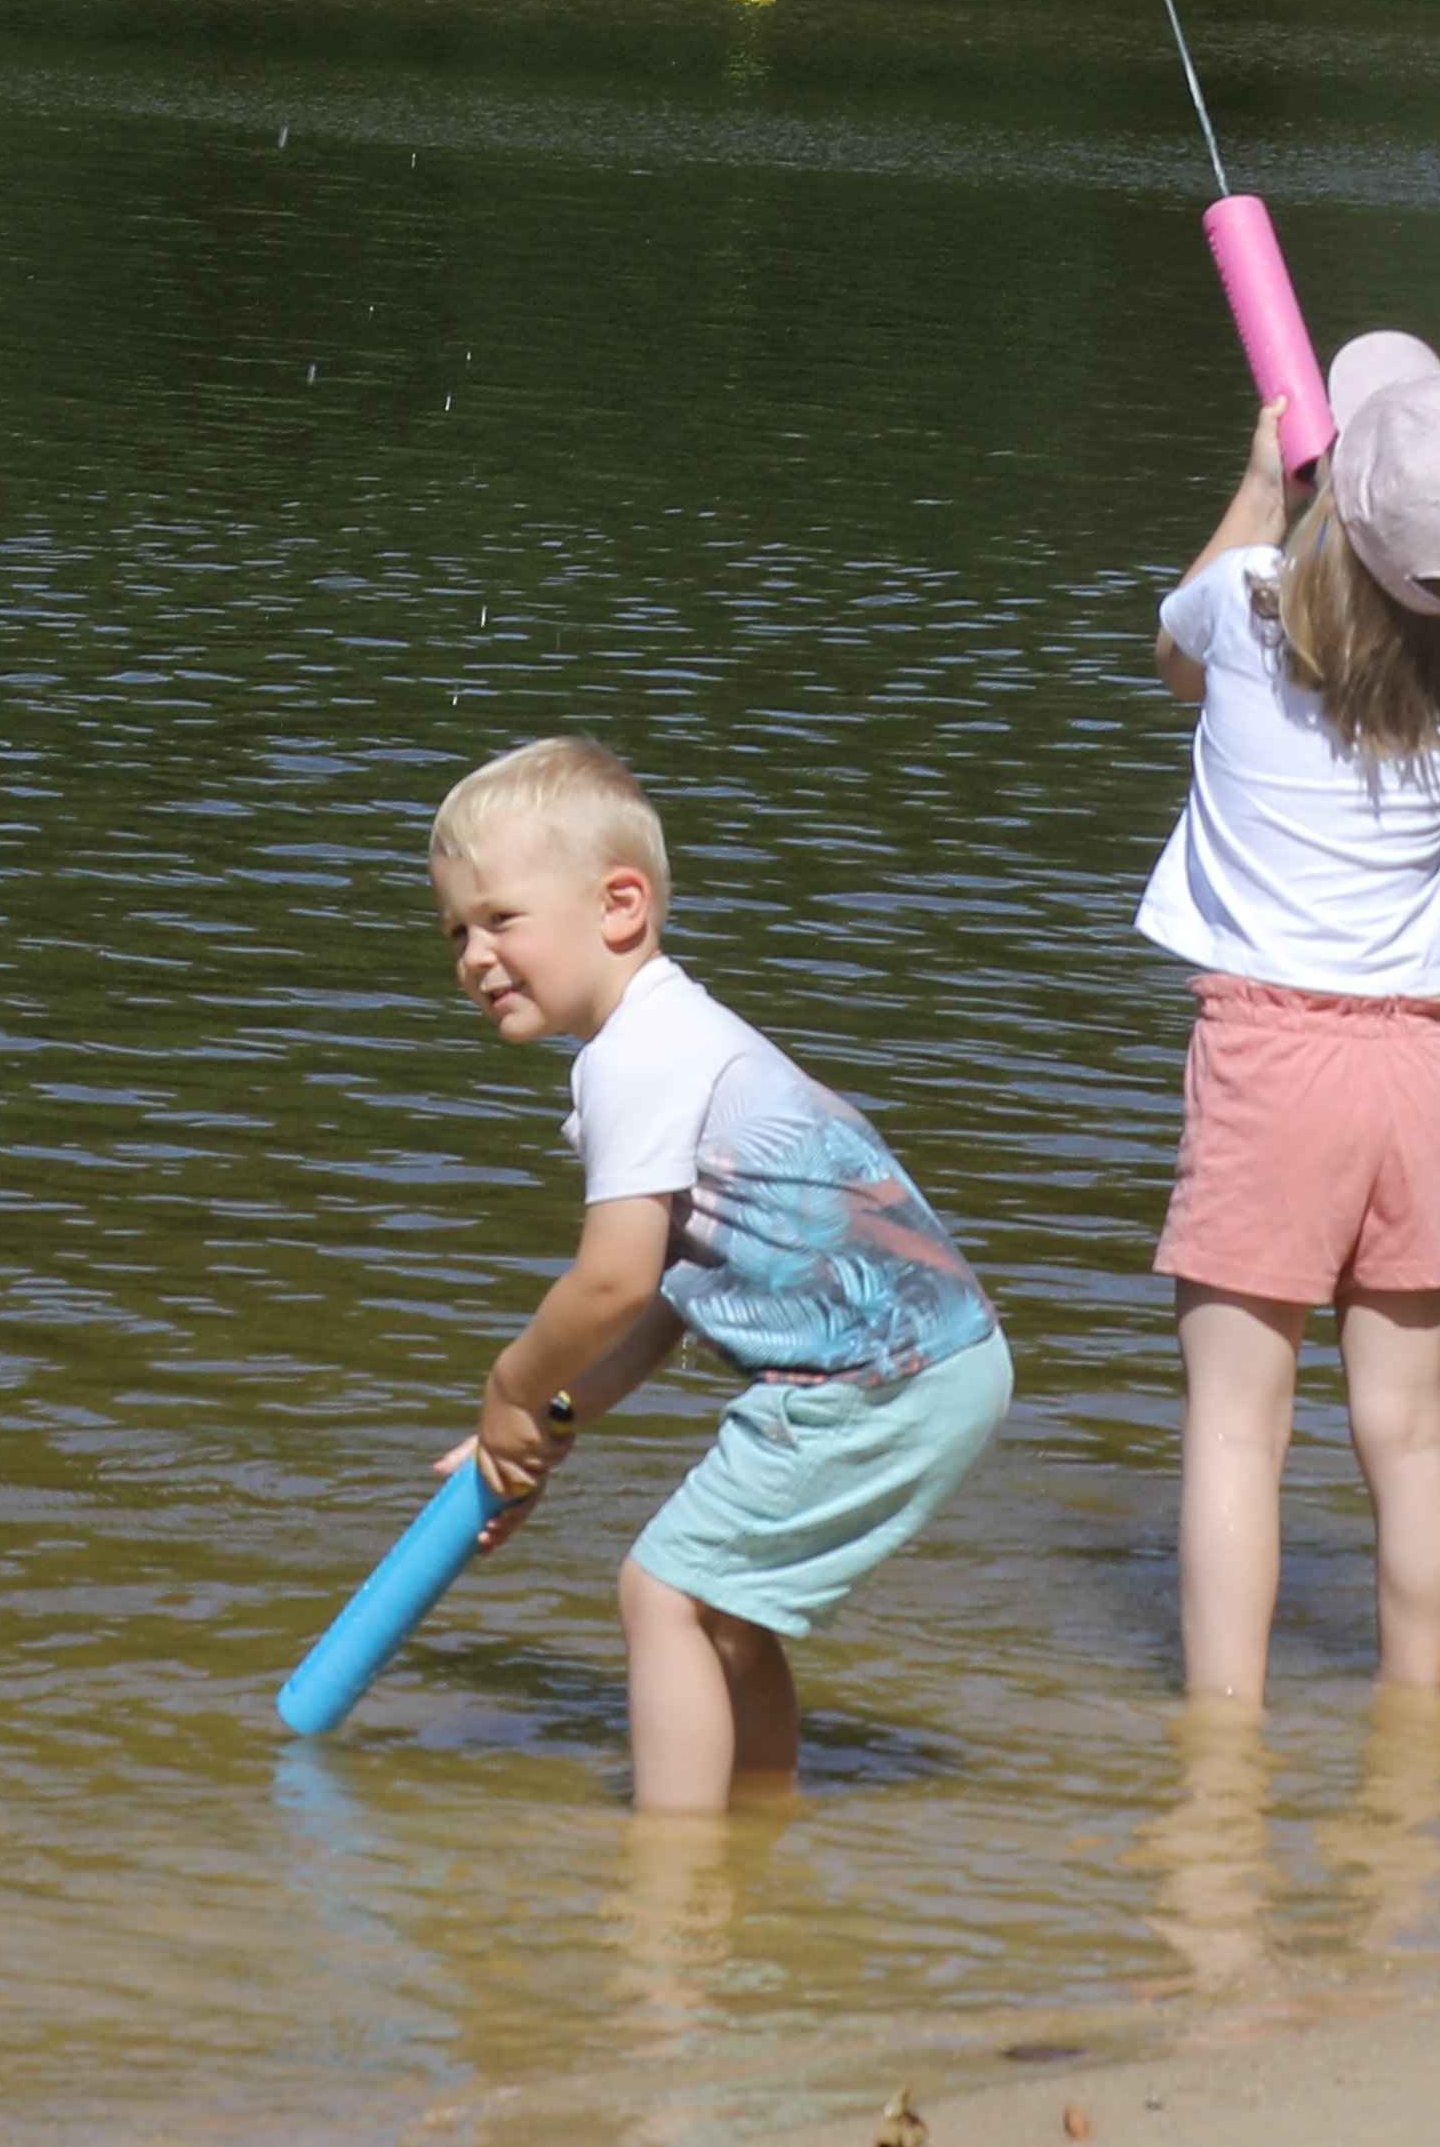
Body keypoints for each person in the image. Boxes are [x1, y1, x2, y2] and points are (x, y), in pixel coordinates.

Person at [424, 733, 1012, 1809]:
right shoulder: (673, 1036)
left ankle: (674, 1877)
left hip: (870, 1377)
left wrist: (510, 1387)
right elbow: (663, 1303)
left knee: (663, 1593)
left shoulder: (635, 1058)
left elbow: (606, 1284)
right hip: (937, 1359)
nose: (472, 953)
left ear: (620, 906)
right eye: (456, 928)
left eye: (501, 917)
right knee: (726, 1608)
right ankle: (757, 1827)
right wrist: (547, 1425)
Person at [1140, 328, 1440, 1706]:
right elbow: (1394, 596)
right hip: (1416, 1061)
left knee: (1235, 1436)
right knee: (1412, 1430)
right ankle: (1414, 1716)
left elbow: (1170, 647)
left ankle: (1221, 1740)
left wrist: (1265, 481)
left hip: (1273, 1053)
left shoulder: (1250, 608)